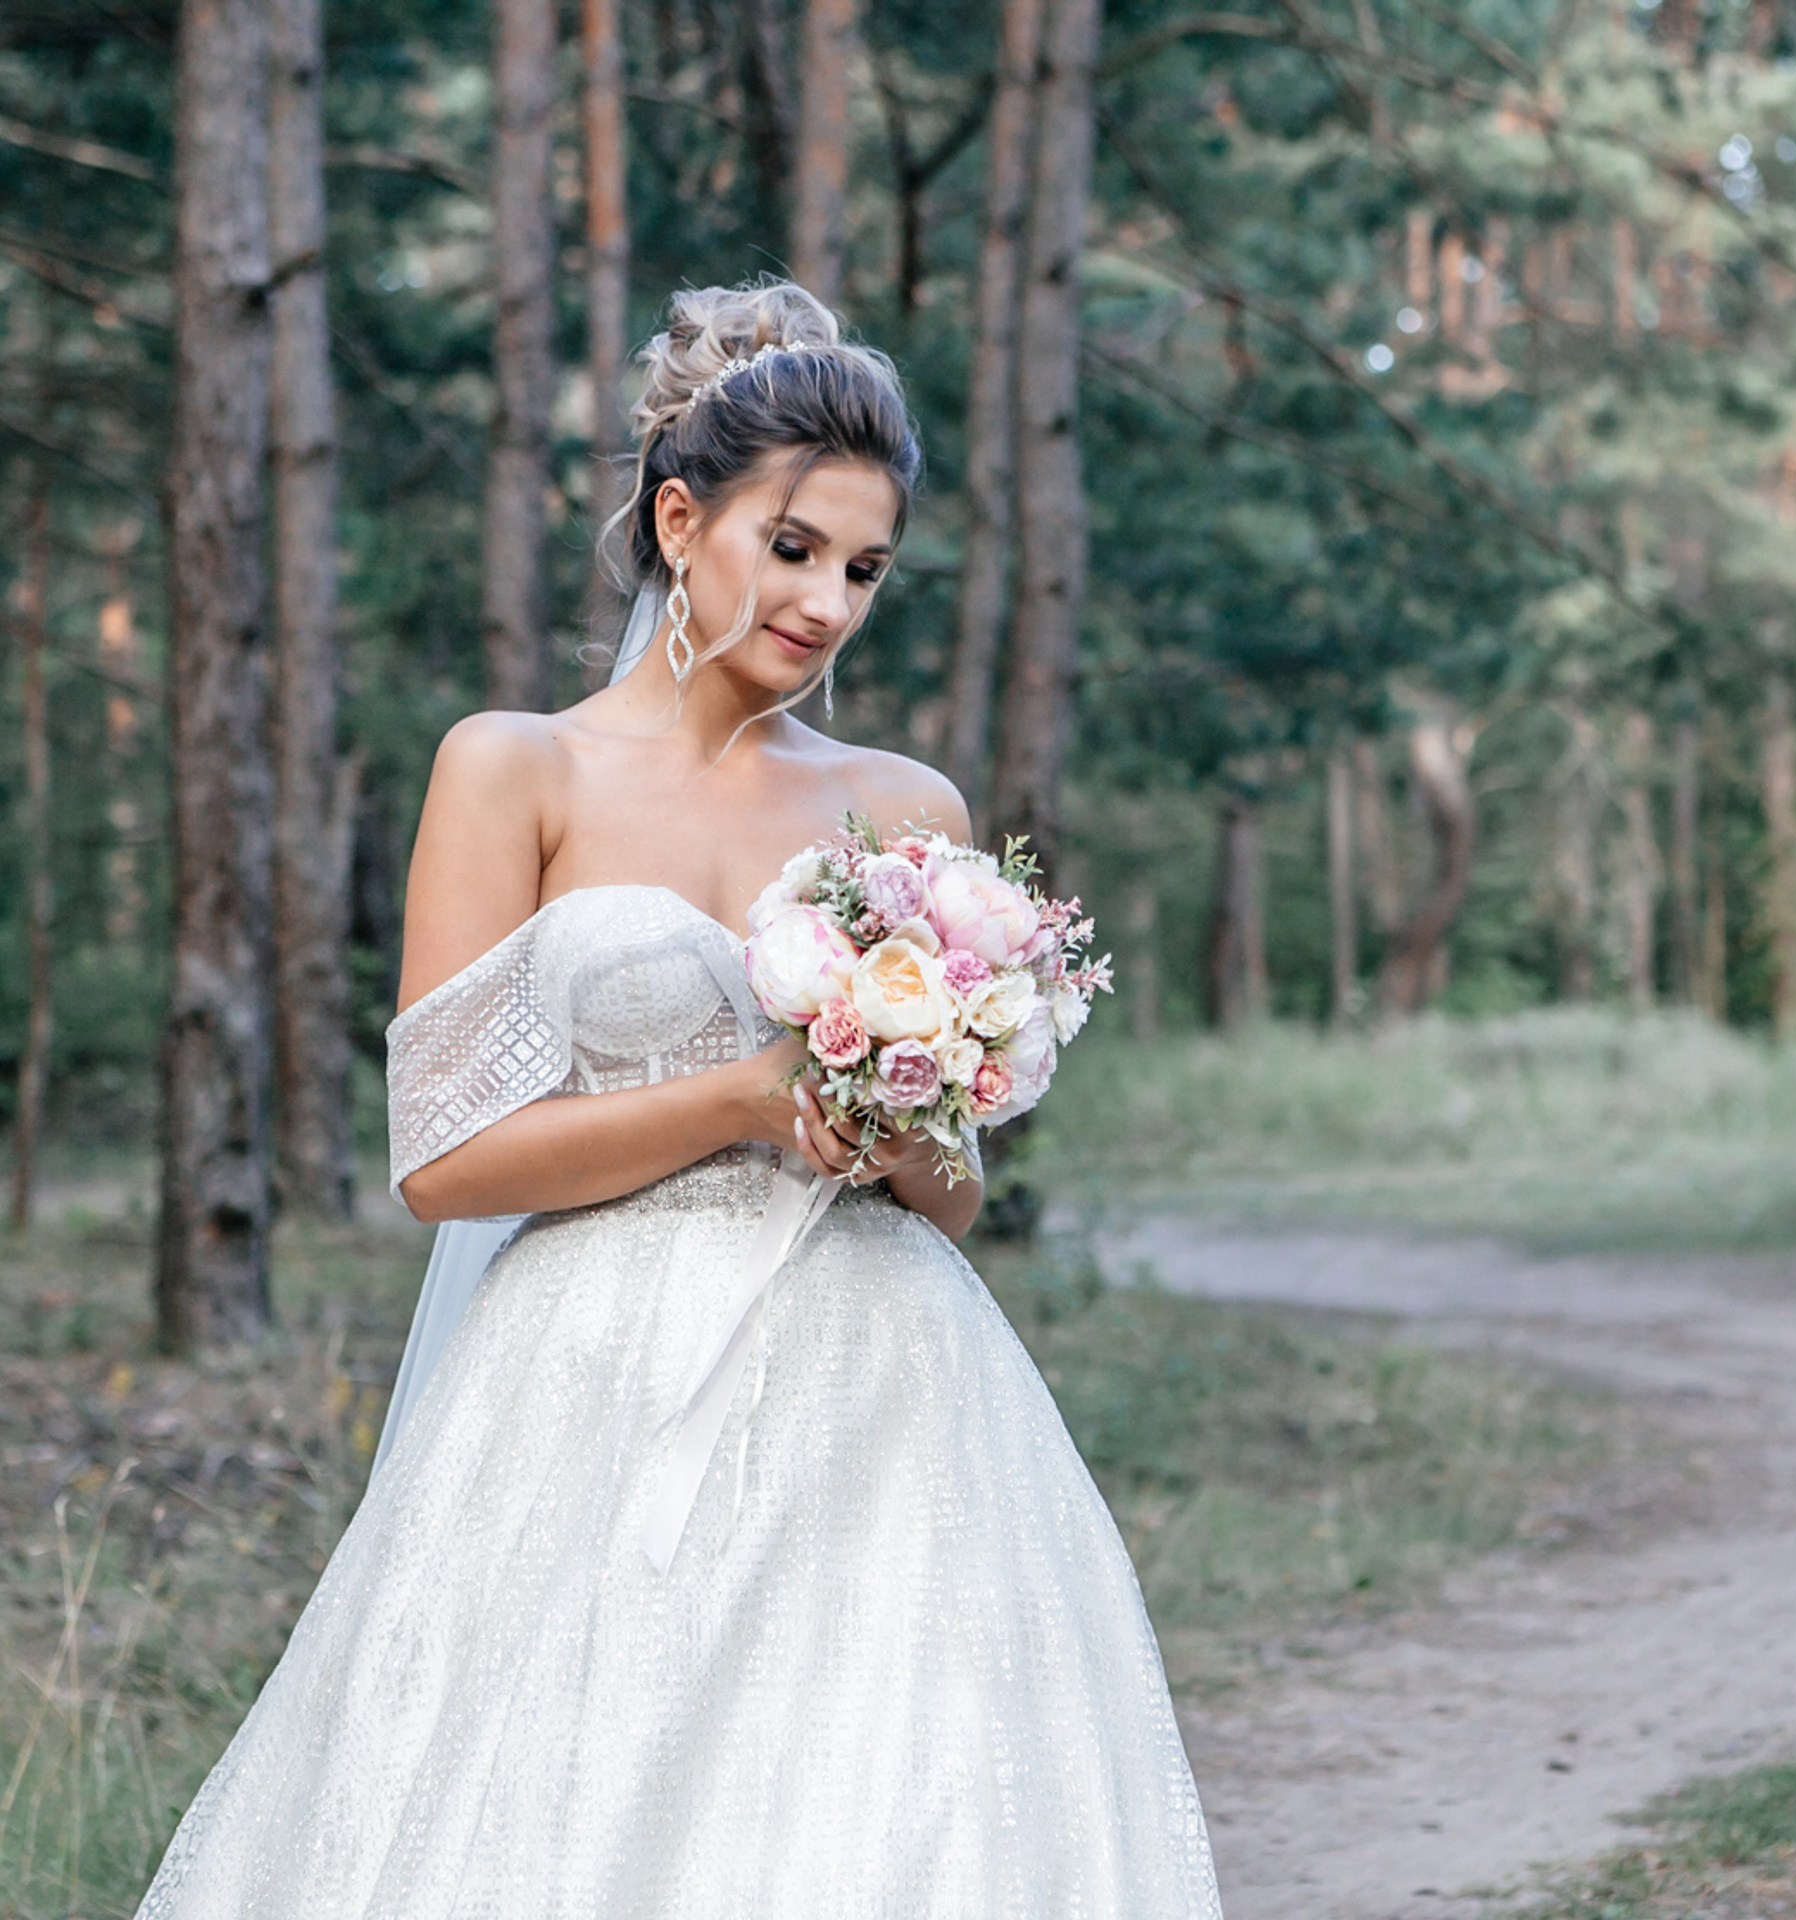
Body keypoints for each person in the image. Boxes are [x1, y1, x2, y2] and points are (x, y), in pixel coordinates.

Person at [136, 279, 1221, 1918]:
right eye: (794, 549)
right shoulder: (515, 769)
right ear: (679, 516)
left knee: (892, 1799)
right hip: (586, 1372)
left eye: (864, 568)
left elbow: (959, 1191)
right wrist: (740, 1098)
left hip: (885, 1381)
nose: (828, 602)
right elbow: (443, 1163)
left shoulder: (901, 802)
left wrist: (899, 1103)